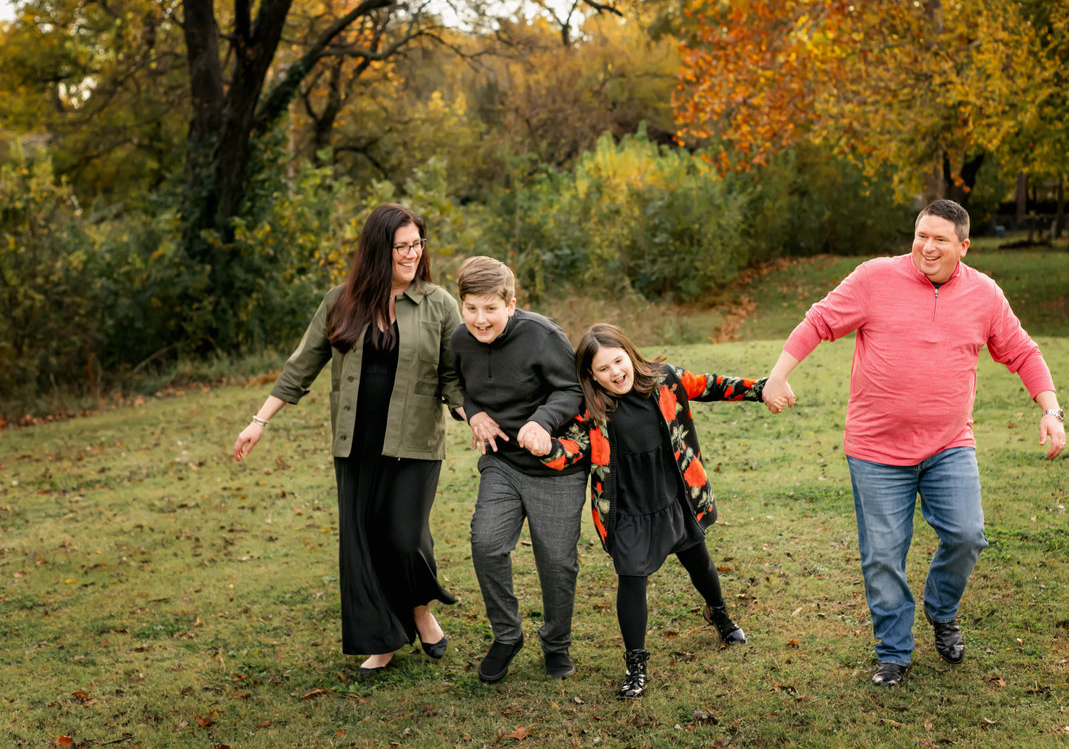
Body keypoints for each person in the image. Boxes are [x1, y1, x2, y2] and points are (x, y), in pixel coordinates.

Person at [761, 199, 1067, 687]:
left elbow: (1021, 351)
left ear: (963, 247)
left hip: (949, 445)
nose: (927, 246)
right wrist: (776, 377)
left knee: (968, 536)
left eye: (940, 239)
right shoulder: (874, 278)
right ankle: (894, 652)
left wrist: (1050, 410)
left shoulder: (984, 295)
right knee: (883, 555)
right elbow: (819, 322)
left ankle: (941, 611)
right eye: (921, 235)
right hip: (876, 451)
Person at [232, 204, 465, 676]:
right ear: (379, 250)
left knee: (404, 537)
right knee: (363, 542)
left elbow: (453, 374)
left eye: (417, 244)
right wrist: (260, 420)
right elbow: (302, 365)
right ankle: (382, 639)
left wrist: (474, 412)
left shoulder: (438, 303)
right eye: (402, 246)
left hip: (415, 441)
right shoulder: (341, 301)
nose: (412, 254)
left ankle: (419, 610)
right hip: (356, 444)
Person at [537, 323, 780, 699]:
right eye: (602, 369)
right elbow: (569, 450)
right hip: (630, 511)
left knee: (700, 563)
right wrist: (542, 447)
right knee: (631, 580)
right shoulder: (591, 411)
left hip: (674, 497)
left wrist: (761, 389)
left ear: (630, 354)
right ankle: (636, 664)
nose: (615, 373)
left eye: (619, 361)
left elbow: (710, 384)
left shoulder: (664, 381)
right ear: (590, 375)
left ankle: (719, 613)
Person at [449, 256, 587, 683]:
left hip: (555, 469)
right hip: (502, 463)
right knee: (486, 542)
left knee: (557, 563)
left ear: (511, 303)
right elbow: (451, 384)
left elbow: (573, 389)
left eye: (491, 308)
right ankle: (507, 635)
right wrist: (472, 413)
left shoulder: (543, 336)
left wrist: (541, 421)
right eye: (471, 308)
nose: (480, 319)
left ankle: (557, 645)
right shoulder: (459, 340)